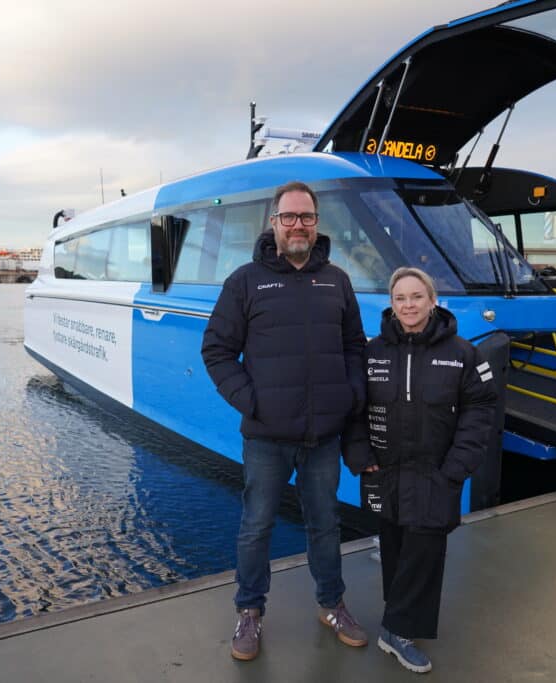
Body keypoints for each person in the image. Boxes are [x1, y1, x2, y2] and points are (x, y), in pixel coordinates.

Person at [201, 181, 368, 661]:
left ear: (317, 225)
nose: (298, 225)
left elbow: (355, 346)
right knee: (256, 527)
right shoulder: (246, 282)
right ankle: (249, 612)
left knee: (325, 525)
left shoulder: (336, 281)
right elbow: (216, 350)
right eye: (289, 217)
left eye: (307, 218)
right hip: (267, 438)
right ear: (273, 222)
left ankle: (331, 604)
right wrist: (252, 402)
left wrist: (349, 394)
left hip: (323, 437)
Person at [343, 266, 497, 673]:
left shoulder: (463, 353)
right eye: (400, 298)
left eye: (416, 297)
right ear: (391, 305)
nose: (408, 305)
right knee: (394, 545)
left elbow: (480, 410)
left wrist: (458, 466)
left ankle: (396, 630)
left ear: (432, 301)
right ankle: (397, 621)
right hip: (385, 469)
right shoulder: (373, 352)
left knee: (426, 548)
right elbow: (353, 408)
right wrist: (359, 454)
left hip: (436, 471)